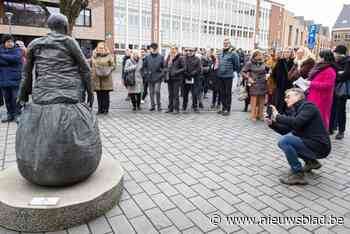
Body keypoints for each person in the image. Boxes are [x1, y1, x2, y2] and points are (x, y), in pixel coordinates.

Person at [16, 13, 101, 186]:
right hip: (68, 95)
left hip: (42, 97)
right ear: (65, 27)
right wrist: (90, 92)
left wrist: (23, 95)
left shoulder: (34, 44)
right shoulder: (69, 42)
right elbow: (85, 69)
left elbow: (26, 74)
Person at [265, 88, 331, 185]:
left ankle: (298, 174)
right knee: (286, 140)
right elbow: (287, 130)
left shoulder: (309, 106)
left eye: (288, 97)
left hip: (320, 146)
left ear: (298, 96)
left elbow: (296, 122)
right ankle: (311, 162)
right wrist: (272, 124)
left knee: (285, 141)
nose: (285, 99)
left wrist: (277, 116)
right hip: (311, 143)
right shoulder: (297, 110)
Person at [306, 50, 336, 132]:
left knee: (321, 117)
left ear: (324, 58)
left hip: (322, 98)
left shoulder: (330, 70)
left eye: (320, 57)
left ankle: (321, 134)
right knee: (313, 116)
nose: (318, 58)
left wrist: (311, 83)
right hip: (314, 95)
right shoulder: (320, 67)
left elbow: (328, 85)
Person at [0, 34, 23, 123]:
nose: (10, 43)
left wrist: (2, 56)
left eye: (12, 41)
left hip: (15, 79)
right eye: (8, 41)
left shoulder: (17, 50)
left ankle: (17, 114)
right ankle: (9, 114)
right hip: (3, 79)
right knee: (7, 99)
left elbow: (16, 59)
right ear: (4, 42)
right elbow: (11, 60)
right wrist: (9, 60)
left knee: (15, 98)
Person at [330, 45, 350, 139]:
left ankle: (341, 131)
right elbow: (334, 73)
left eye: (336, 53)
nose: (335, 55)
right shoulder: (335, 62)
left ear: (340, 54)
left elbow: (345, 75)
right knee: (333, 108)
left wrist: (337, 75)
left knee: (341, 110)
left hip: (342, 90)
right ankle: (332, 127)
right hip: (333, 88)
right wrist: (338, 73)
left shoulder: (348, 62)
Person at [241, 50, 267, 122]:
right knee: (254, 100)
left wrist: (268, 75)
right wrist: (248, 78)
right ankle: (253, 116)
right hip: (254, 84)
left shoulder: (263, 62)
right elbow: (243, 72)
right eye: (259, 55)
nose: (261, 56)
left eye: (261, 55)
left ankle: (260, 115)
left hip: (263, 83)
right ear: (255, 56)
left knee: (262, 100)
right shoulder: (250, 63)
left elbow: (267, 70)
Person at [217, 38, 240, 116]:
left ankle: (227, 109)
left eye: (227, 43)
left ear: (230, 44)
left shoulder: (233, 53)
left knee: (227, 93)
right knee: (222, 93)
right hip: (220, 76)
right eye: (224, 43)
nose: (225, 44)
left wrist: (232, 71)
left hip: (228, 76)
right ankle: (223, 108)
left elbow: (237, 65)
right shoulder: (221, 53)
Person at [91, 42, 115, 115]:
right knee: (99, 95)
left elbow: (113, 66)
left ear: (105, 48)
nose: (101, 49)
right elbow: (92, 67)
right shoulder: (94, 56)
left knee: (105, 95)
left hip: (106, 78)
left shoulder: (109, 56)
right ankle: (100, 109)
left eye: (102, 48)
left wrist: (108, 69)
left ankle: (105, 109)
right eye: (99, 48)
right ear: (97, 48)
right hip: (97, 78)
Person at [143, 43, 164, 111]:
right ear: (150, 49)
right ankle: (152, 106)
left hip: (158, 77)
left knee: (157, 91)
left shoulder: (161, 57)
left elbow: (164, 67)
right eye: (152, 48)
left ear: (157, 49)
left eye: (155, 48)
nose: (154, 49)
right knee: (151, 92)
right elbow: (144, 67)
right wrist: (146, 73)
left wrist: (161, 74)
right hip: (150, 77)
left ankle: (159, 105)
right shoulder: (147, 57)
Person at [271, 49, 294, 114]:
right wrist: (277, 82)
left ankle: (286, 116)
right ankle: (278, 115)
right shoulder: (280, 62)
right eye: (285, 52)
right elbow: (273, 73)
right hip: (280, 86)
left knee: (288, 101)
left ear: (291, 53)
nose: (286, 53)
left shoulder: (293, 62)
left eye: (288, 52)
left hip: (289, 85)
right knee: (279, 102)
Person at [165, 46, 185, 114]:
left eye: (173, 49)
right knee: (170, 94)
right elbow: (165, 65)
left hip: (176, 78)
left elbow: (184, 68)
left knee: (175, 94)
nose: (172, 50)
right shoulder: (169, 57)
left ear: (176, 50)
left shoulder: (180, 58)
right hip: (169, 78)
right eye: (171, 49)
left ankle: (176, 109)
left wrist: (176, 72)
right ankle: (170, 108)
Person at [183, 47, 202, 113]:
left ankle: (195, 106)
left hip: (194, 79)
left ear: (194, 51)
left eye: (190, 50)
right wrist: (186, 73)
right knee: (185, 94)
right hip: (185, 79)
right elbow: (182, 67)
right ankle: (184, 107)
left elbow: (199, 68)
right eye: (187, 50)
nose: (189, 52)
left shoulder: (197, 59)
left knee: (194, 94)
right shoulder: (184, 58)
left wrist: (192, 74)